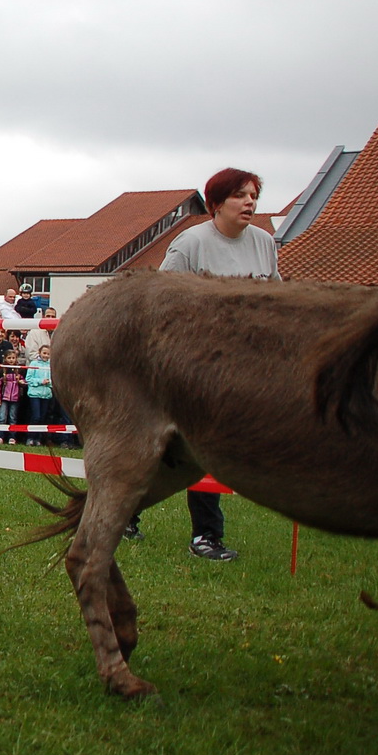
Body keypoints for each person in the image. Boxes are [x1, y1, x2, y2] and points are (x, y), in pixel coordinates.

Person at [139, 167, 281, 561]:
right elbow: (160, 301)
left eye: (254, 195)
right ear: (216, 203)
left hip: (245, 363)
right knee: (203, 448)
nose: (250, 202)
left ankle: (130, 509)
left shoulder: (264, 243)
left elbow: (276, 300)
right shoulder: (191, 244)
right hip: (196, 363)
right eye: (240, 195)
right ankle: (206, 536)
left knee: (180, 450)